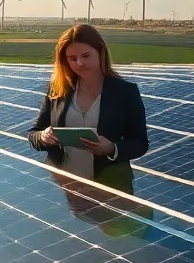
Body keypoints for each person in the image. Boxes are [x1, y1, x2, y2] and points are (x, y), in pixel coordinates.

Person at [27, 24, 148, 193]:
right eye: (72, 58)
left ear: (101, 52)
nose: (80, 63)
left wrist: (111, 148)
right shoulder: (58, 91)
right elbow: (34, 134)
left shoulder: (125, 92)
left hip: (110, 186)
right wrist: (44, 137)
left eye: (86, 55)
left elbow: (140, 143)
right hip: (62, 189)